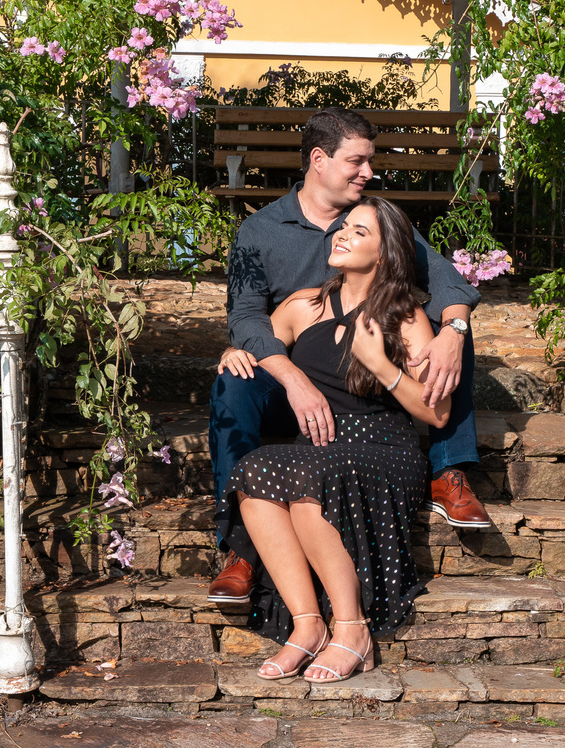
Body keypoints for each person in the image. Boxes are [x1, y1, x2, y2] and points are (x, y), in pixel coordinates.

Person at [207, 107, 491, 605]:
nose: (369, 172)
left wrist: (455, 328)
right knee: (233, 383)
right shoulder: (260, 232)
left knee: (451, 333)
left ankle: (447, 469)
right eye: (356, 161)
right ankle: (241, 550)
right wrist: (288, 375)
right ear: (319, 160)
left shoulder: (369, 221)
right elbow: (247, 315)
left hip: (360, 384)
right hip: (293, 367)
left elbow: (446, 279)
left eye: (370, 162)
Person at [216, 197, 447, 681]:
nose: (342, 234)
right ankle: (307, 626)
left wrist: (382, 366)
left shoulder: (405, 316)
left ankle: (353, 629)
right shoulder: (304, 306)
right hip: (320, 446)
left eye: (360, 232)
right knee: (252, 471)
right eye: (344, 226)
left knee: (307, 480)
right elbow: (257, 346)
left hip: (384, 448)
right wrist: (234, 355)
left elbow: (437, 412)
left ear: (385, 254)